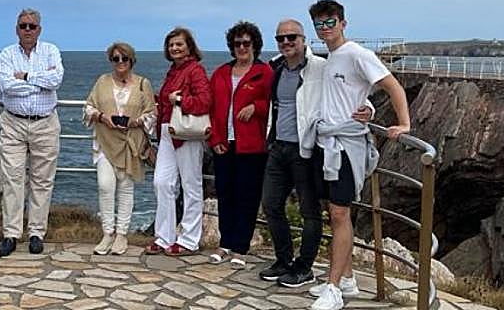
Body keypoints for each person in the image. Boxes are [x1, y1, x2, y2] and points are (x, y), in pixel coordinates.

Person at [306, 0, 411, 310]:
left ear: (343, 23)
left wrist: (403, 123)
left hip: (345, 146)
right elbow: (348, 95)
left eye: (330, 22)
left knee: (340, 213)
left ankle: (334, 288)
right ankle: (347, 279)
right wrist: (369, 107)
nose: (325, 28)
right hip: (326, 142)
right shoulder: (332, 58)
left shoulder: (357, 54)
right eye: (319, 24)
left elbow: (393, 85)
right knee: (335, 213)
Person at [259, 18, 372, 289]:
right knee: (271, 204)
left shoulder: (321, 67)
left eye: (292, 37)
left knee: (310, 211)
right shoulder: (276, 68)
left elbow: (351, 90)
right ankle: (284, 260)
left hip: (306, 148)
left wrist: (369, 108)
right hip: (278, 147)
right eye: (281, 38)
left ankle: (304, 267)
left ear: (303, 39)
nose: (286, 42)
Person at [0, 8, 65, 257]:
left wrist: (25, 77)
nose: (27, 30)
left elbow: (55, 81)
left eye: (31, 26)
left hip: (45, 123)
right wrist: (38, 83)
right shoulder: (7, 54)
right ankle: (11, 234)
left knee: (42, 180)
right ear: (16, 29)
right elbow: (8, 87)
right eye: (23, 25)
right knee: (12, 179)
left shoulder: (51, 51)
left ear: (39, 29)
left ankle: (36, 233)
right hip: (13, 123)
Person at [207, 21, 273, 268]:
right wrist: (215, 139)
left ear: (255, 45)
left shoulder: (264, 73)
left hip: (252, 145)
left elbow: (274, 103)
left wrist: (256, 107)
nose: (242, 47)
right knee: (225, 194)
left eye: (246, 43)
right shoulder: (221, 73)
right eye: (237, 44)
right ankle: (225, 243)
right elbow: (212, 109)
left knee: (247, 196)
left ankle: (240, 247)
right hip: (225, 144)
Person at [83, 42, 156, 255]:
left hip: (129, 143)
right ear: (111, 61)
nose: (120, 62)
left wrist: (137, 121)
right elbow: (88, 107)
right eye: (116, 58)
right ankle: (107, 233)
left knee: (125, 188)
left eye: (124, 58)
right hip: (105, 141)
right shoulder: (102, 81)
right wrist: (101, 117)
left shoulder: (143, 84)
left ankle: (122, 235)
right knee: (105, 185)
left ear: (132, 60)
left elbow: (152, 113)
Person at [148, 26, 211, 256]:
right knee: (162, 183)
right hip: (168, 132)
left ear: (189, 47)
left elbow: (205, 101)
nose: (175, 48)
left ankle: (189, 240)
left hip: (187, 134)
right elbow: (167, 100)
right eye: (171, 44)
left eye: (179, 44)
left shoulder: (196, 70)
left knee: (191, 185)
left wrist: (180, 100)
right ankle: (164, 236)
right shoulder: (173, 71)